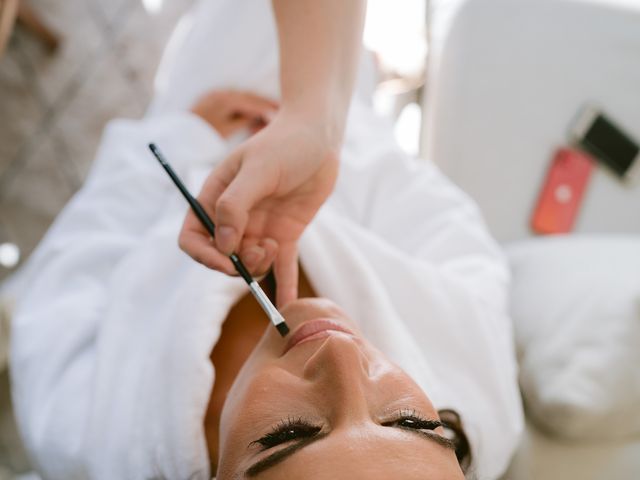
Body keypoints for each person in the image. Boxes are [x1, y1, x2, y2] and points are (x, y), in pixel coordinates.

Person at [6, 1, 523, 479]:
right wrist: (332, 127)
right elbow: (444, 229)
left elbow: (79, 258)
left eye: (290, 433)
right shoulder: (484, 414)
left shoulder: (84, 435)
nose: (340, 350)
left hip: (207, 103)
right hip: (347, 126)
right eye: (411, 421)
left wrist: (183, 135)